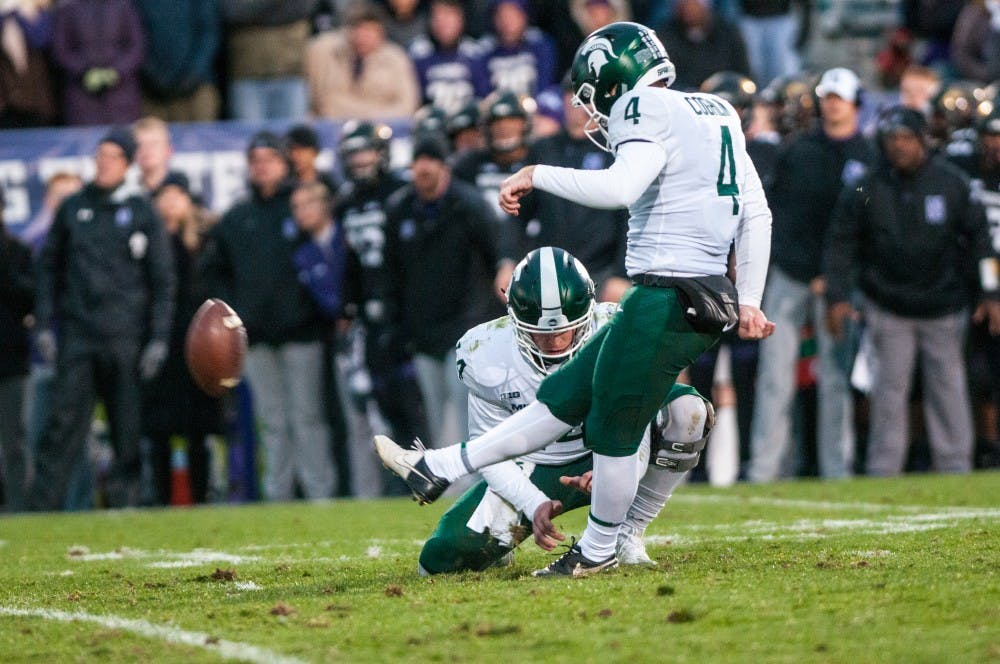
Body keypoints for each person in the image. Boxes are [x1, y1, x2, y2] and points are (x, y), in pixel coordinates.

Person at [376, 21, 774, 577]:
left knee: (612, 430)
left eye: (591, 93)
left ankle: (596, 551)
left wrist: (535, 173)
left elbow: (619, 188)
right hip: (697, 292)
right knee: (563, 394)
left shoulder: (642, 107)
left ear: (617, 78)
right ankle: (437, 465)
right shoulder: (716, 110)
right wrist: (749, 298)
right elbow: (756, 213)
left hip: (667, 293)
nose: (591, 109)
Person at [419, 246, 713, 574]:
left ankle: (627, 533)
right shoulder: (484, 353)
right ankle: (498, 547)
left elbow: (636, 415)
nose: (555, 341)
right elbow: (488, 452)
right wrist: (534, 503)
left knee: (688, 411)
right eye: (541, 332)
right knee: (440, 560)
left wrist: (621, 469)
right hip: (537, 465)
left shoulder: (616, 325)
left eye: (563, 329)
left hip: (613, 446)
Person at [825, 106, 1000, 476]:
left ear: (922, 141)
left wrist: (991, 293)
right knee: (888, 392)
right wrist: (838, 295)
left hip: (944, 305)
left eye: (905, 139)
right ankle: (883, 471)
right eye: (891, 140)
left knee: (949, 390)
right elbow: (841, 241)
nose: (898, 147)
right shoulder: (867, 185)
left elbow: (982, 244)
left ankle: (956, 469)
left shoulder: (952, 183)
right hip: (888, 304)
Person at [30, 128, 176, 510]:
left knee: (127, 428)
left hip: (126, 336)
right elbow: (49, 271)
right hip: (79, 335)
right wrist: (45, 324)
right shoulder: (72, 208)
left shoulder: (143, 211)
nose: (104, 163)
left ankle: (124, 507)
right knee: (63, 426)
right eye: (100, 155)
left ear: (127, 164)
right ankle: (42, 511)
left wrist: (159, 337)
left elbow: (162, 279)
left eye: (112, 156)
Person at [747, 67, 875, 483]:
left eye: (839, 96)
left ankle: (837, 468)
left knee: (836, 378)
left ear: (855, 102)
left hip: (837, 282)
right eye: (827, 96)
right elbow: (774, 212)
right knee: (774, 376)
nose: (832, 103)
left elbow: (864, 226)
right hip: (791, 272)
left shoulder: (868, 156)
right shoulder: (798, 149)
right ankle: (766, 469)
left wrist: (835, 276)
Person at [199, 131, 333, 501]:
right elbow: (213, 270)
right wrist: (232, 312)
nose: (261, 167)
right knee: (272, 421)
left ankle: (320, 493)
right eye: (255, 161)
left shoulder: (301, 204)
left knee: (307, 418)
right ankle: (279, 495)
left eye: (269, 159)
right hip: (255, 336)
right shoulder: (237, 218)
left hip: (302, 332)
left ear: (283, 162)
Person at [383, 133, 507, 446]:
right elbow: (392, 273)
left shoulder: (469, 205)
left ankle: (474, 477)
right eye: (418, 161)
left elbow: (499, 253)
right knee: (435, 411)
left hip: (465, 325)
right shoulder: (401, 210)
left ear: (444, 166)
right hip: (423, 329)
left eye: (430, 161)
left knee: (465, 403)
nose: (423, 168)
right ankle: (447, 478)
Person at [336, 120, 429, 495]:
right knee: (380, 401)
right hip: (368, 315)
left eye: (366, 152)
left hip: (403, 310)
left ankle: (428, 473)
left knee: (414, 400)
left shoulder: (401, 193)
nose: (361, 161)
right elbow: (349, 264)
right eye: (354, 154)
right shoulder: (345, 202)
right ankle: (396, 483)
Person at [145, 173, 220, 505]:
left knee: (198, 430)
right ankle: (161, 500)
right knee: (158, 430)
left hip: (199, 345)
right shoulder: (145, 243)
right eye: (165, 195)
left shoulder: (205, 242)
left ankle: (202, 497)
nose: (170, 202)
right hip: (160, 344)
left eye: (178, 195)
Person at [305, 2, 420, 120]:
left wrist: (367, 117)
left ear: (381, 33)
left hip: (384, 128)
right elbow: (327, 105)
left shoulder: (396, 58)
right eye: (358, 29)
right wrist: (377, 110)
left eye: (369, 31)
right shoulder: (326, 51)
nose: (363, 37)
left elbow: (407, 106)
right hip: (331, 128)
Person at [51, 0, 146, 126]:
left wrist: (116, 72)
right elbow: (61, 50)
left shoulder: (125, 7)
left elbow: (137, 46)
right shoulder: (69, 9)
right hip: (82, 99)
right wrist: (84, 72)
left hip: (122, 98)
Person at [221, 0, 312, 121]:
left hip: (290, 72)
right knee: (249, 137)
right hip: (247, 74)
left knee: (293, 136)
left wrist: (255, 14)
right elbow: (233, 11)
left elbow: (303, 7)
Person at [0, 186, 33, 511]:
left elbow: (30, 296)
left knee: (14, 443)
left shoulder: (17, 252)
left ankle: (17, 509)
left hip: (10, 360)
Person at [134, 0, 220, 122]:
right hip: (153, 91)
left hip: (195, 88)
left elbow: (209, 34)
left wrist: (194, 74)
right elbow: (135, 36)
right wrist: (151, 74)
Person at [409, 0, 490, 115]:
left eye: (448, 16)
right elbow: (415, 100)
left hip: (469, 124)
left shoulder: (474, 53)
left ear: (461, 19)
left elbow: (484, 97)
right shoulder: (419, 54)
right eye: (437, 17)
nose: (442, 23)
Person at [656, 0, 750, 91]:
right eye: (685, 4)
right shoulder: (667, 35)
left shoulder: (726, 33)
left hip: (722, 95)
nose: (690, 10)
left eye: (695, 4)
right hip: (683, 97)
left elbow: (742, 71)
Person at [478, 0, 557, 97]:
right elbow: (482, 95)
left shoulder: (540, 45)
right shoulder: (484, 51)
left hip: (536, 109)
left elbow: (546, 88)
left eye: (513, 15)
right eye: (501, 16)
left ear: (525, 16)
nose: (506, 22)